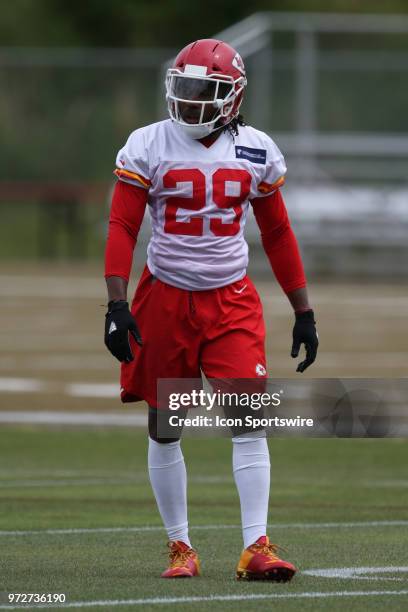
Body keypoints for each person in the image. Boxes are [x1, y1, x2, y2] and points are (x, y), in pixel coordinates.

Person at [104, 38, 319, 581]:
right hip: (165, 296)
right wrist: (116, 303)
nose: (193, 99)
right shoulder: (149, 142)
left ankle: (256, 547)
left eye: (207, 90)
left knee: (248, 422)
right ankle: (181, 547)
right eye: (186, 87)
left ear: (234, 96)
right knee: (165, 425)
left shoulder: (257, 149)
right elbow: (123, 225)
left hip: (231, 298)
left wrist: (304, 309)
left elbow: (277, 230)